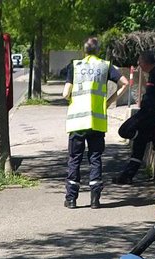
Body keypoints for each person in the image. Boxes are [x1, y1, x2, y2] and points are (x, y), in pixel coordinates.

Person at [63, 36, 127, 209]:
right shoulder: (105, 66)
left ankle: (71, 199)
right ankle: (95, 200)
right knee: (95, 158)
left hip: (77, 121)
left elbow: (65, 93)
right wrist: (109, 101)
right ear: (98, 50)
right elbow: (125, 83)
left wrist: (71, 98)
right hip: (97, 121)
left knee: (74, 159)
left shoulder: (75, 66)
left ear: (84, 50)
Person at [114, 51, 155, 185]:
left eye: (140, 61)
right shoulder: (153, 73)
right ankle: (127, 176)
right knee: (138, 147)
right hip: (146, 111)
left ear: (146, 62)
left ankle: (148, 135)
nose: (138, 64)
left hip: (149, 114)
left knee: (124, 131)